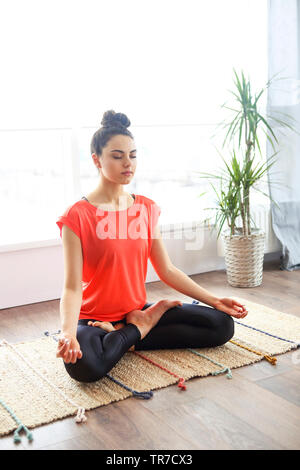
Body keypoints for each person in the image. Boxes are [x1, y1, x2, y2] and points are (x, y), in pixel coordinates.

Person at [55, 110, 248, 383]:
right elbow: (72, 286)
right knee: (83, 367)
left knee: (221, 326)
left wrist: (215, 300)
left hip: (137, 308)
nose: (128, 163)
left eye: (133, 155)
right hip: (93, 319)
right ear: (96, 160)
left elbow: (167, 269)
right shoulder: (77, 215)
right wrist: (67, 333)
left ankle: (124, 334)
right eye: (117, 155)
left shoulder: (145, 208)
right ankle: (137, 331)